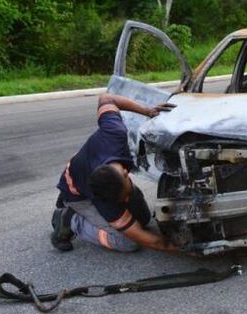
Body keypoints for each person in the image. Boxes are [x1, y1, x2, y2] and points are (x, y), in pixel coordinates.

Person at [51, 93, 177, 253]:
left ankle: (75, 205)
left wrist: (148, 111)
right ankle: (71, 219)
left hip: (82, 171)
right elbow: (151, 241)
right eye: (123, 199)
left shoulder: (114, 132)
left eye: (125, 195)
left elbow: (106, 98)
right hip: (78, 195)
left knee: (144, 219)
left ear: (124, 173)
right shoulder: (102, 198)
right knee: (128, 242)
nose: (126, 200)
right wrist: (183, 249)